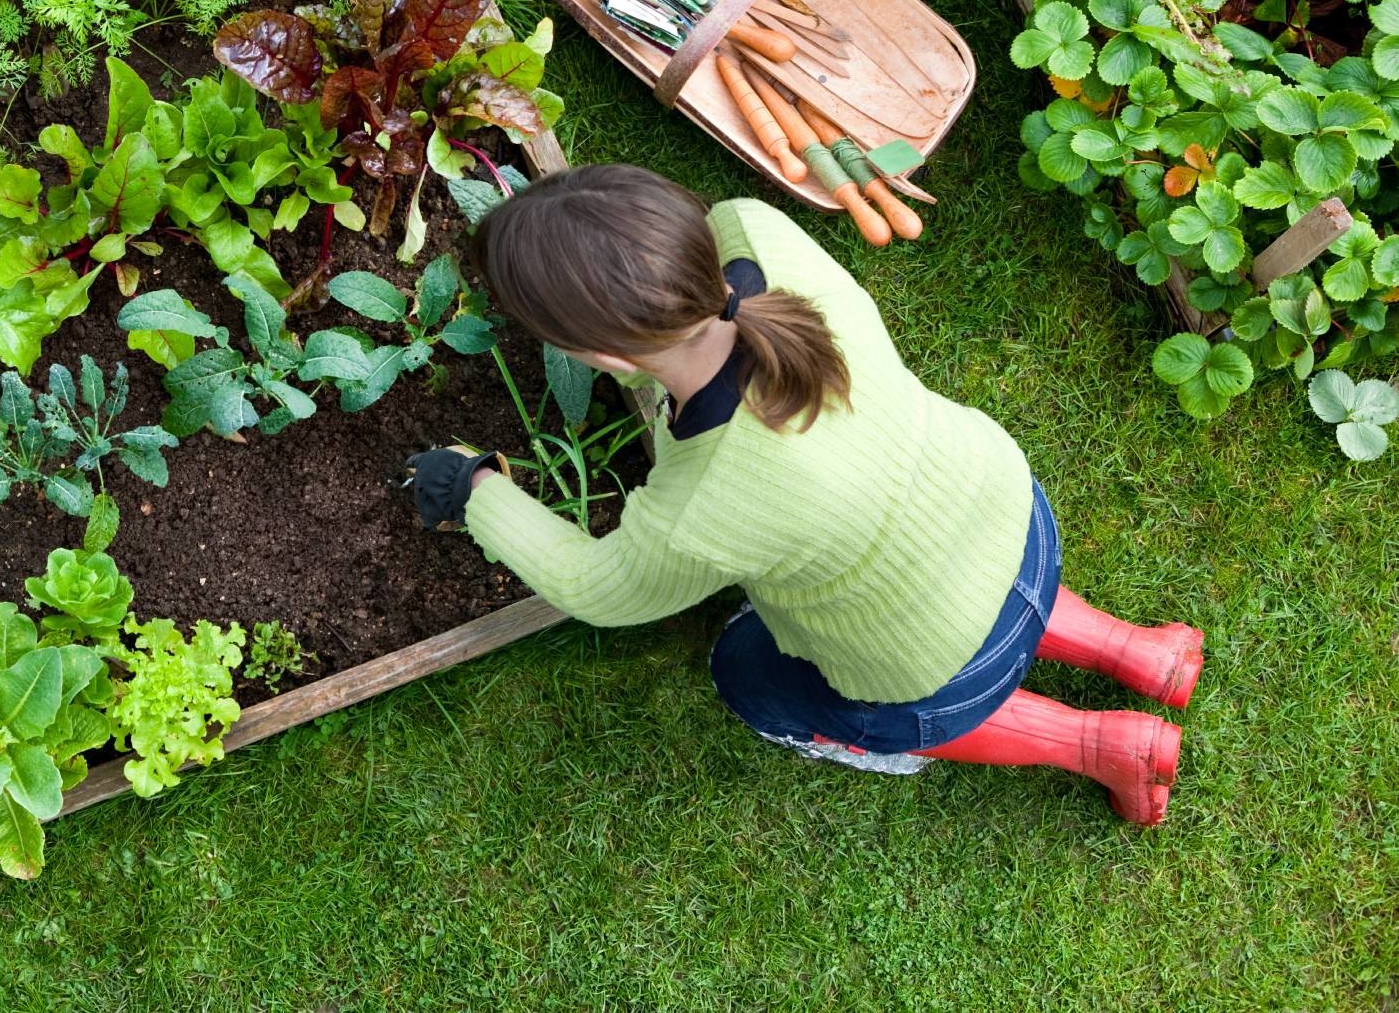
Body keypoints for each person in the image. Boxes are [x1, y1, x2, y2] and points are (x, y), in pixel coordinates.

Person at [404, 164, 1204, 824]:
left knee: (747, 674)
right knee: (952, 576)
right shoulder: (755, 231)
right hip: (1009, 514)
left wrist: (473, 489)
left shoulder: (702, 506)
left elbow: (596, 587)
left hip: (935, 665)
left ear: (605, 358)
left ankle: (1101, 745)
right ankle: (1140, 651)